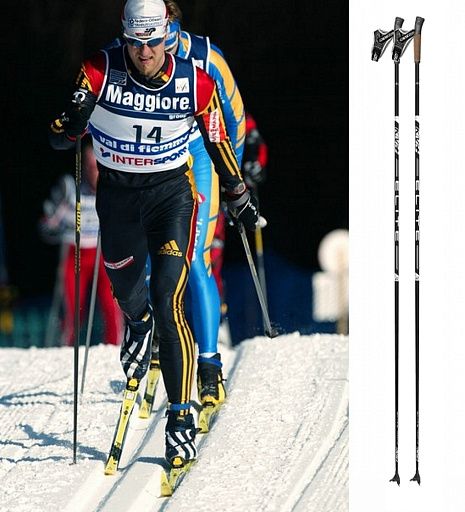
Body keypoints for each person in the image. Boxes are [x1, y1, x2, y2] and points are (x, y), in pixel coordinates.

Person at [48, 0, 259, 469]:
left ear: (168, 34)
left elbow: (218, 138)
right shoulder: (99, 70)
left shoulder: (196, 81)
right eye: (135, 42)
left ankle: (181, 418)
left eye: (154, 41)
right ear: (124, 36)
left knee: (169, 297)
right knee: (128, 289)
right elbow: (58, 135)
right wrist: (71, 125)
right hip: (118, 200)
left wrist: (237, 191)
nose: (145, 52)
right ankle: (137, 324)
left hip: (171, 198)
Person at [163, 0, 245, 409]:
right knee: (153, 258)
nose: (154, 52)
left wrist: (234, 183)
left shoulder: (207, 57)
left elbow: (235, 120)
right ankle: (158, 341)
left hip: (198, 156)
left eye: (165, 41)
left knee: (195, 258)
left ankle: (209, 365)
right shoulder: (128, 51)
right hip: (155, 161)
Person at [40, 140, 123, 346]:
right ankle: (66, 349)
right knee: (73, 309)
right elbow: (46, 225)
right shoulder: (70, 188)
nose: (94, 173)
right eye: (90, 167)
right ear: (83, 167)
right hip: (74, 254)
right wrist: (62, 226)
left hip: (102, 254)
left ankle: (114, 349)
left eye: (98, 167)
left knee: (112, 305)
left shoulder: (113, 188)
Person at [211, 112, 268, 328]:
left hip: (222, 192)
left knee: (211, 257)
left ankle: (217, 321)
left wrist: (256, 165)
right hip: (188, 188)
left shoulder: (232, 109)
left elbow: (254, 140)